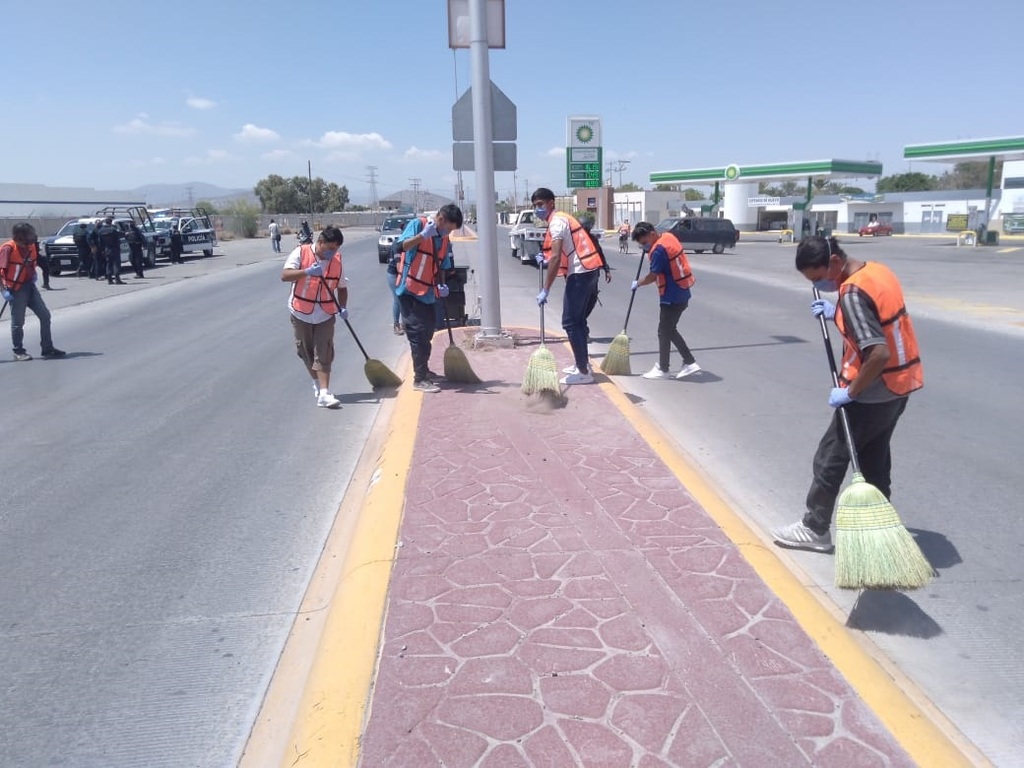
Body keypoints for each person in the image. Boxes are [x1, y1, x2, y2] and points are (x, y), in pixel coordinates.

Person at [771, 236, 923, 552]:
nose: (818, 284)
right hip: (899, 386)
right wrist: (837, 312)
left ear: (835, 262)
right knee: (874, 460)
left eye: (818, 277)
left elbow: (878, 353)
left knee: (830, 458)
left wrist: (851, 392)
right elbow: (877, 320)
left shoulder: (852, 293)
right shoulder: (877, 272)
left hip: (871, 394)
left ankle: (815, 528)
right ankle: (880, 528)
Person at [532, 187, 604, 385]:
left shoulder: (557, 222)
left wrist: (546, 289)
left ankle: (583, 372)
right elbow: (560, 252)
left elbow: (556, 256)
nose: (538, 209)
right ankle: (583, 364)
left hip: (581, 273)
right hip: (588, 270)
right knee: (578, 321)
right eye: (535, 206)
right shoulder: (561, 219)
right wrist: (545, 257)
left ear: (551, 203)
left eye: (540, 204)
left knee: (570, 322)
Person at [393, 203, 462, 393]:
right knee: (417, 334)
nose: (448, 233)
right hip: (409, 291)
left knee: (428, 333)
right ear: (441, 219)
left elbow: (442, 265)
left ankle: (424, 370)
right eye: (448, 228)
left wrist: (442, 284)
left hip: (428, 293)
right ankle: (419, 379)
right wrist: (422, 236)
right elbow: (399, 246)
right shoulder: (419, 225)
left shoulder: (444, 240)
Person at [280, 225, 348, 409]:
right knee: (306, 352)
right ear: (321, 242)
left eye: (336, 249)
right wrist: (307, 271)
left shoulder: (337, 261)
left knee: (324, 352)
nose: (332, 252)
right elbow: (285, 275)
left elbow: (342, 288)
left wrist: (343, 307)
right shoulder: (301, 253)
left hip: (325, 314)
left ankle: (324, 393)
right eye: (330, 248)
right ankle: (317, 384)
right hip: (301, 312)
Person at [629, 222, 701, 380]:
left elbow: (652, 276)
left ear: (652, 234)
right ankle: (685, 362)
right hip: (682, 292)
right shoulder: (668, 237)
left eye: (644, 242)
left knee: (664, 331)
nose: (644, 246)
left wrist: (638, 283)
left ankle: (667, 368)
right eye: (641, 244)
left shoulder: (658, 251)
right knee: (669, 330)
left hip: (671, 296)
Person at [0, 223, 65, 361]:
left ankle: (47, 348)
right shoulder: (8, 249)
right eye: (30, 234)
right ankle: (18, 351)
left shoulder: (31, 247)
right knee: (18, 322)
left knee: (45, 316)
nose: (33, 237)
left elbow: (34, 263)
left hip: (30, 286)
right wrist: (3, 291)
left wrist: (34, 275)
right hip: (16, 290)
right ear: (20, 237)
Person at [579, 215, 612, 322]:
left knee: (591, 301)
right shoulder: (575, 240)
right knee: (580, 304)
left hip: (592, 276)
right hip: (579, 277)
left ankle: (582, 322)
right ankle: (580, 325)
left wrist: (607, 270)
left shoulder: (592, 239)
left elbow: (600, 254)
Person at [95, 217, 125, 285]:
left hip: (106, 249)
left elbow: (100, 242)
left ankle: (109, 280)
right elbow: (119, 236)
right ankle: (117, 280)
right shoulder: (113, 229)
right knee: (116, 264)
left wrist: (102, 250)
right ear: (111, 222)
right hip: (115, 248)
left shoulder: (101, 231)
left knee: (109, 265)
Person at [386, 246, 404, 335]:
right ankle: (396, 325)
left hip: (401, 274)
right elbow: (399, 267)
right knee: (398, 299)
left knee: (403, 299)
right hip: (394, 275)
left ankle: (405, 323)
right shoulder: (397, 244)